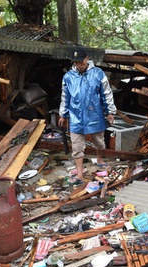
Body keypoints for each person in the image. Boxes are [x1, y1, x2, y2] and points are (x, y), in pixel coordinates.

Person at [58, 48, 117, 185]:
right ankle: (79, 173)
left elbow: (106, 93)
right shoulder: (68, 77)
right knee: (77, 147)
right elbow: (65, 96)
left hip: (95, 114)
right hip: (76, 116)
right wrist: (63, 114)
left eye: (81, 62)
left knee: (99, 142)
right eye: (76, 63)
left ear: (87, 59)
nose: (79, 65)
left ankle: (100, 159)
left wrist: (110, 112)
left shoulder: (98, 74)